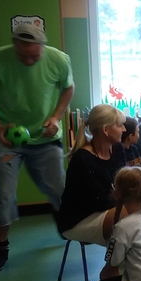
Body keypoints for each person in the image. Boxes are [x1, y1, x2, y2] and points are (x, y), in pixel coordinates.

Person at [0, 22, 74, 273]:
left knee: (59, 190)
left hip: (45, 138)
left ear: (42, 46)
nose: (28, 61)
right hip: (6, 139)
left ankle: (65, 225)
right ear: (14, 46)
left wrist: (56, 117)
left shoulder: (59, 59)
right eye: (22, 56)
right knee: (4, 194)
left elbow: (68, 87)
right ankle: (1, 248)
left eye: (34, 56)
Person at [57, 105, 127, 246]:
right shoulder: (82, 159)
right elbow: (99, 201)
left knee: (138, 216)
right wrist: (132, 201)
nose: (124, 129)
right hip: (80, 219)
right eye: (120, 125)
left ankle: (121, 258)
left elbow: (123, 183)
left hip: (106, 208)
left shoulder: (117, 149)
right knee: (133, 213)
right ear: (105, 130)